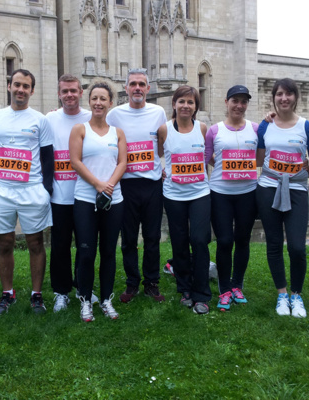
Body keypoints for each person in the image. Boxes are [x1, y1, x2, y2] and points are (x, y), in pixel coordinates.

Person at [0, 69, 54, 315]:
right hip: (1, 190)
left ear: (32, 91)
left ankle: (36, 295)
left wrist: (46, 189)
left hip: (31, 190)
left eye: (26, 86)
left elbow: (47, 157)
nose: (21, 90)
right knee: (4, 243)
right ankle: (7, 294)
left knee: (35, 243)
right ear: (10, 86)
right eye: (17, 85)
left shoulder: (40, 120)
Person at [256, 78, 309, 318]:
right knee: (273, 243)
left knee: (296, 246)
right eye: (279, 94)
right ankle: (282, 294)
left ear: (296, 97)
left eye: (289, 94)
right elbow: (259, 161)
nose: (284, 98)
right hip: (268, 188)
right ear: (274, 97)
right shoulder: (265, 126)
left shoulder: (307, 128)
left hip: (296, 191)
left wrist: (295, 176)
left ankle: (297, 294)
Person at [106, 68, 167, 304]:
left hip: (152, 184)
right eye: (133, 84)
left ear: (148, 88)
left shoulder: (158, 112)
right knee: (129, 238)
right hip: (126, 185)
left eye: (142, 84)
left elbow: (161, 145)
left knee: (152, 237)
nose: (138, 88)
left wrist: (160, 166)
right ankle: (132, 283)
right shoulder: (115, 115)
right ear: (126, 88)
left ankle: (152, 283)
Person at [69, 80, 127, 322]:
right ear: (89, 101)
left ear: (110, 103)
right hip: (85, 198)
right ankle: (85, 300)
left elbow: (122, 162)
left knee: (108, 252)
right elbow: (75, 161)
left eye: (103, 99)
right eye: (94, 98)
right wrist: (98, 185)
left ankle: (106, 300)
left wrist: (109, 186)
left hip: (114, 199)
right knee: (86, 252)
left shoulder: (118, 133)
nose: (98, 103)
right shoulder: (80, 130)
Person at [157, 85, 212, 315]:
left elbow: (208, 157)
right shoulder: (164, 129)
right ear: (174, 104)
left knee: (199, 241)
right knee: (179, 242)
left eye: (190, 102)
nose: (186, 106)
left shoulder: (202, 128)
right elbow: (159, 154)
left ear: (196, 107)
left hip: (199, 193)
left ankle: (202, 293)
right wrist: (161, 170)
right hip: (173, 195)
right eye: (182, 101)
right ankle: (185, 289)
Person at [205, 85, 258, 311]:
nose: (239, 105)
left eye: (243, 101)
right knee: (225, 240)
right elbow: (207, 157)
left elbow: (262, 156)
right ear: (226, 102)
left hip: (248, 193)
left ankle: (237, 284)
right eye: (235, 100)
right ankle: (224, 288)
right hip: (220, 193)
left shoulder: (256, 129)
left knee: (243, 240)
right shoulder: (214, 130)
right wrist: (227, 169)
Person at [45, 74, 93, 312]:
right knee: (60, 246)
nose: (69, 95)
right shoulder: (50, 118)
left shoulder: (91, 117)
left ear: (81, 92)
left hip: (86, 194)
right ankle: (61, 292)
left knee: (86, 245)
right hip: (60, 196)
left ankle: (84, 288)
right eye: (65, 91)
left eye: (73, 90)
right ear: (59, 94)